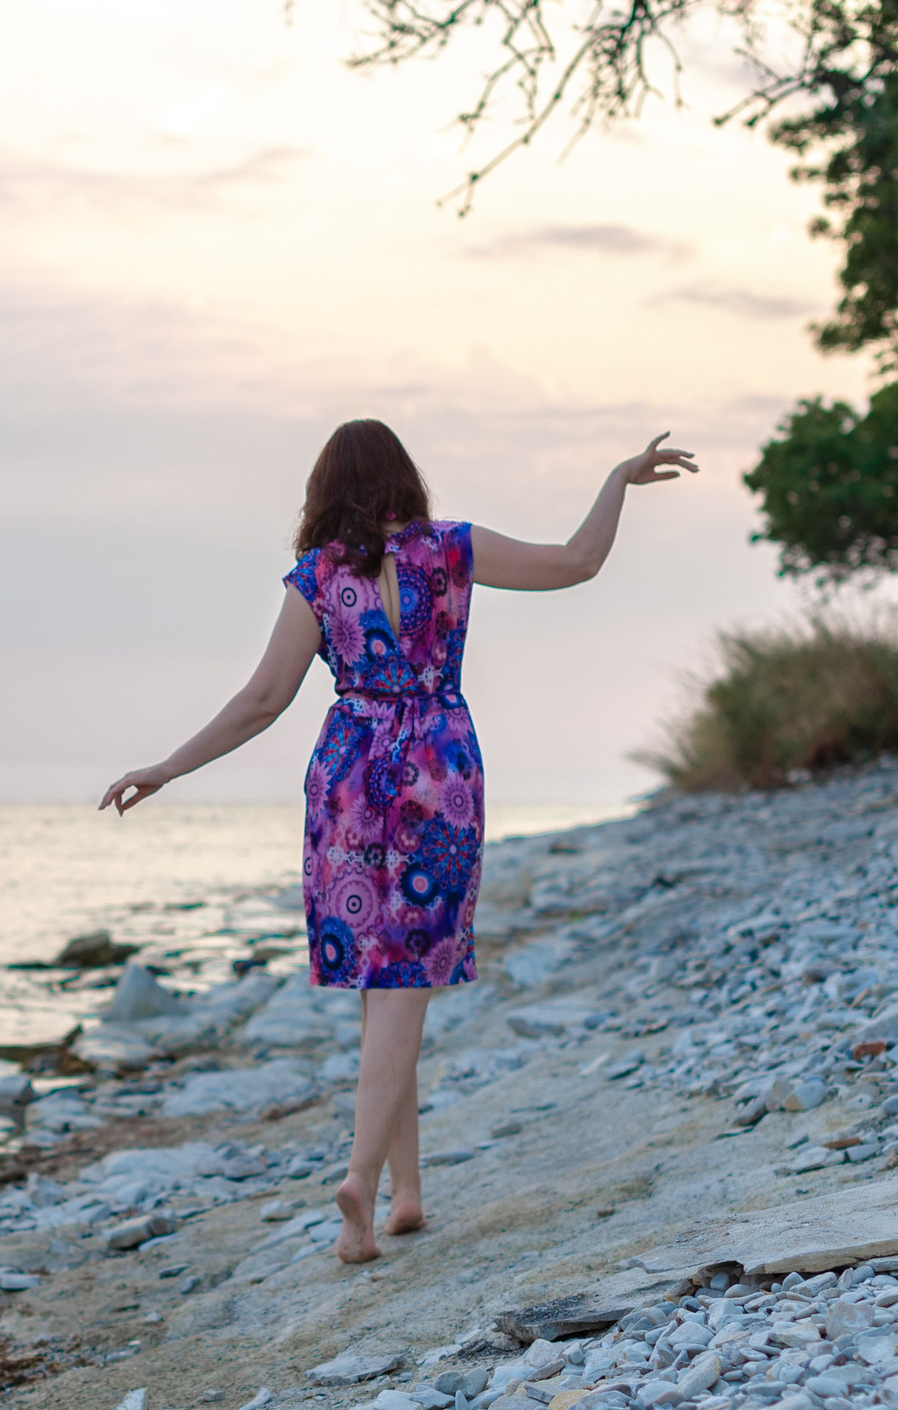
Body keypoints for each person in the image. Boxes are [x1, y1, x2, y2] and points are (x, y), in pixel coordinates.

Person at [100, 420, 696, 1264]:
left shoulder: (317, 576)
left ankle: (403, 1193)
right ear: (403, 477)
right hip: (436, 773)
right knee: (405, 982)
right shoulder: (450, 548)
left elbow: (263, 698)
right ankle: (361, 1179)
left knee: (384, 986)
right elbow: (577, 561)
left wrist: (169, 766)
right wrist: (616, 481)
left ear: (324, 491)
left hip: (348, 775)